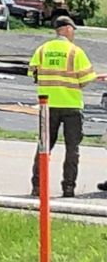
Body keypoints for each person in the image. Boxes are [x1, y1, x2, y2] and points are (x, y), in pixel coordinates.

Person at [29, 15, 101, 197]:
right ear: (67, 29)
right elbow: (84, 80)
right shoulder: (75, 52)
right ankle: (68, 188)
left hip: (47, 106)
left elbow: (33, 73)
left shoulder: (42, 50)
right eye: (73, 30)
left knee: (44, 147)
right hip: (71, 106)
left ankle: (37, 186)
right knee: (72, 149)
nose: (74, 33)